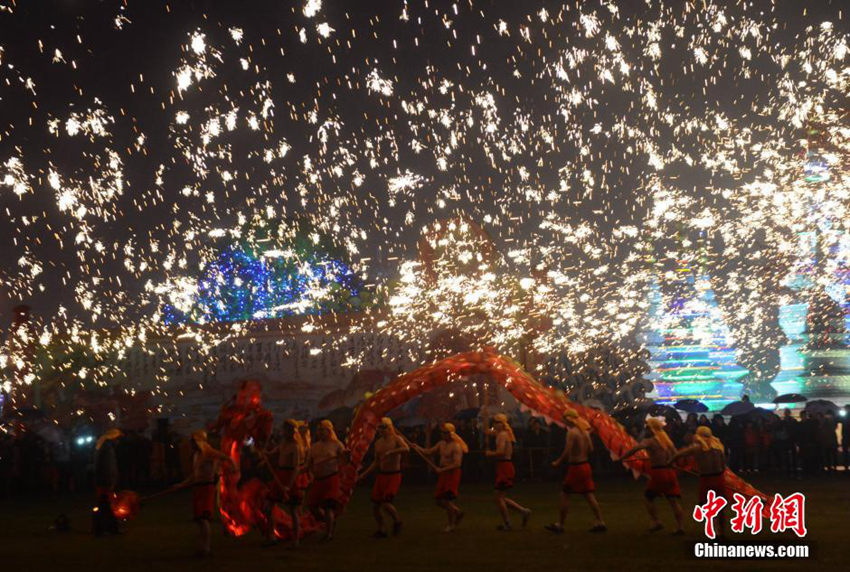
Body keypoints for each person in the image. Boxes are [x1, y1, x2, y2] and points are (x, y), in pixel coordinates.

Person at [617, 417, 684, 534]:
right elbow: (676, 455)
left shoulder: (650, 441)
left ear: (651, 429)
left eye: (647, 427)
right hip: (670, 472)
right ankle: (680, 527)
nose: (646, 430)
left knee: (648, 498)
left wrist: (623, 457)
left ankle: (656, 521)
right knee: (673, 501)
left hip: (659, 473)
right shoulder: (667, 441)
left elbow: (636, 449)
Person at [546, 409, 606, 534]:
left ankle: (560, 525)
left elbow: (567, 450)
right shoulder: (584, 432)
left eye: (564, 418)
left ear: (569, 419)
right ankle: (600, 521)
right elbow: (590, 449)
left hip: (576, 467)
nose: (563, 420)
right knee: (589, 495)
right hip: (585, 465)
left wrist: (558, 461)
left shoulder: (572, 433)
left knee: (564, 494)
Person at [176, 430, 235, 557]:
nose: (191, 443)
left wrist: (234, 467)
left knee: (204, 518)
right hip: (198, 487)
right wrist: (182, 484)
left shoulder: (208, 452)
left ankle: (206, 548)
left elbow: (226, 457)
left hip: (206, 487)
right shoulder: (197, 455)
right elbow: (195, 475)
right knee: (199, 519)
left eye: (193, 441)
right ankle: (202, 546)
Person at [357, 417, 409, 538]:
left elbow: (406, 448)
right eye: (379, 428)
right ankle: (382, 529)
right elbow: (376, 462)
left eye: (383, 427)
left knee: (386, 503)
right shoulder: (378, 443)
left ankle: (397, 521)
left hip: (394, 474)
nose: (381, 430)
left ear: (389, 427)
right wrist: (364, 474)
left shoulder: (396, 439)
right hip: (382, 475)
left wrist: (393, 452)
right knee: (375, 506)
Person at [673, 426, 727, 539]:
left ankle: (713, 530)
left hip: (707, 479)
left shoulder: (697, 447)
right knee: (720, 507)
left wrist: (669, 462)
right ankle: (721, 532)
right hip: (719, 478)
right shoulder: (719, 447)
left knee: (706, 506)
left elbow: (680, 454)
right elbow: (723, 465)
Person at [412, 422, 466, 532]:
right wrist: (417, 448)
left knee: (446, 500)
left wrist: (442, 469)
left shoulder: (456, 446)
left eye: (446, 433)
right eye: (442, 432)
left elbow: (457, 464)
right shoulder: (441, 444)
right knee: (438, 500)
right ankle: (457, 512)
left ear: (451, 433)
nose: (443, 435)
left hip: (452, 473)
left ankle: (451, 524)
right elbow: (429, 452)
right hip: (443, 473)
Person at [485, 414, 532, 531]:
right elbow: (487, 431)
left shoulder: (503, 435)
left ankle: (508, 523)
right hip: (504, 466)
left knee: (498, 497)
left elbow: (500, 452)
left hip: (505, 466)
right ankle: (523, 511)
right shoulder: (502, 434)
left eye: (497, 422)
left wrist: (490, 453)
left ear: (502, 424)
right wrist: (485, 417)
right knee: (501, 497)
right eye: (494, 422)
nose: (494, 425)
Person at [265, 419, 307, 547]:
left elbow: (296, 468)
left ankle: (296, 540)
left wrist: (289, 484)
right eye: (284, 429)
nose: (284, 432)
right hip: (280, 475)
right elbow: (271, 454)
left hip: (289, 477)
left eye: (286, 429)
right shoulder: (283, 444)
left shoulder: (294, 446)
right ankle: (272, 536)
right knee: (268, 506)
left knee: (293, 510)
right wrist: (262, 451)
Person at [306, 419, 347, 541]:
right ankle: (329, 522)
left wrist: (346, 456)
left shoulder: (337, 445)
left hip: (331, 479)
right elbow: (309, 464)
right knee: (312, 506)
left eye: (323, 430)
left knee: (328, 506)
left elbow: (344, 461)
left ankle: (328, 534)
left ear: (329, 431)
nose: (321, 432)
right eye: (319, 430)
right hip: (318, 480)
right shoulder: (314, 447)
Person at [93, 428, 122, 536]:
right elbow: (109, 467)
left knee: (104, 505)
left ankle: (101, 528)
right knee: (107, 505)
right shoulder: (107, 449)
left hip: (102, 480)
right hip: (105, 481)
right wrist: (111, 481)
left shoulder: (101, 446)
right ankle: (108, 529)